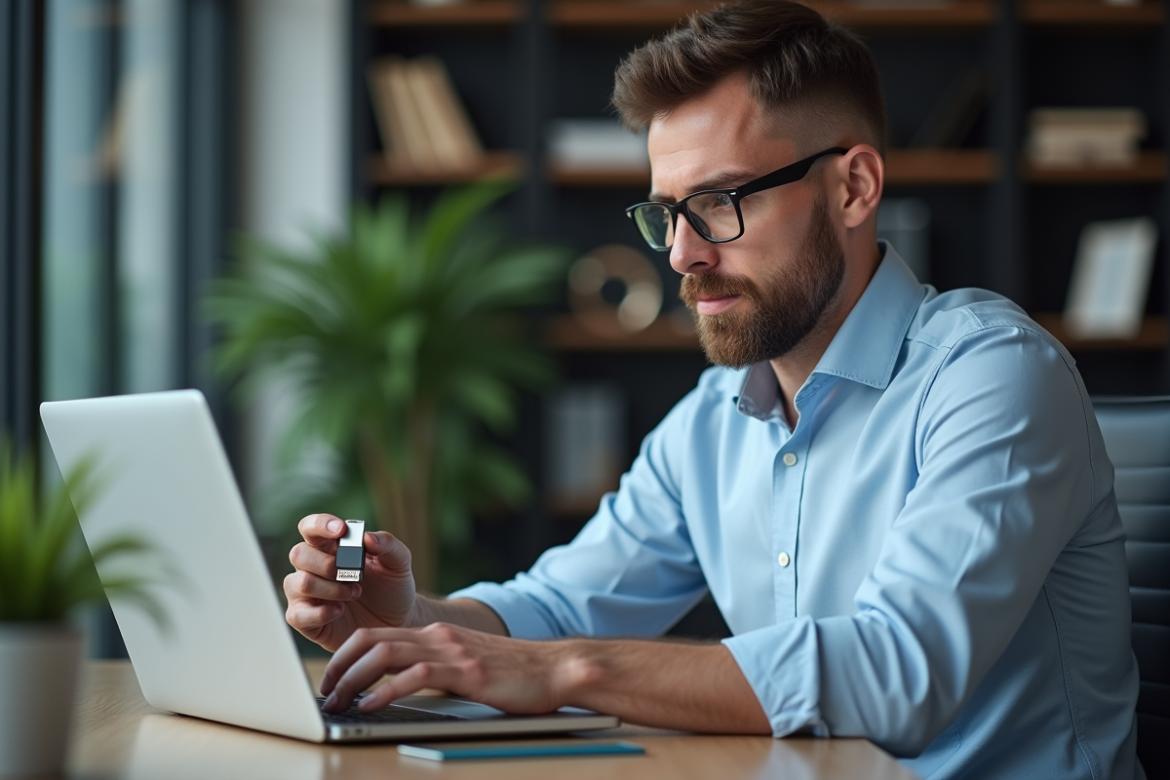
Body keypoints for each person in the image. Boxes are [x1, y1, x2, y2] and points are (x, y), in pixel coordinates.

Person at [283, 2, 1141, 777]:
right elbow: (559, 603)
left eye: (721, 201)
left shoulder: (993, 374)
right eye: (667, 212)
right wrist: (411, 623)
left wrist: (566, 670)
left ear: (853, 187)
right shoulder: (712, 419)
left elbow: (898, 675)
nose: (683, 255)